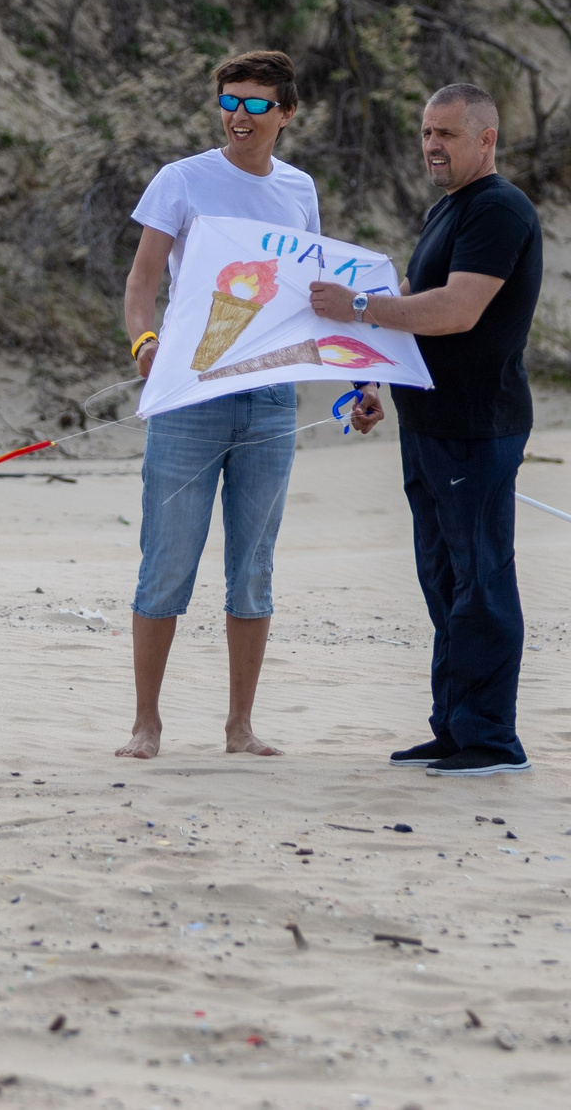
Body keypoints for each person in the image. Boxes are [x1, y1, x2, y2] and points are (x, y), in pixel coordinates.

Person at [116, 49, 382, 759]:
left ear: (286, 113)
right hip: (191, 394)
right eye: (230, 100)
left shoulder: (300, 190)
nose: (240, 114)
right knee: (167, 559)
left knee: (253, 566)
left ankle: (240, 727)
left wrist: (361, 384)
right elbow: (141, 284)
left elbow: (316, 301)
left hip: (270, 397)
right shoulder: (182, 180)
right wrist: (146, 346)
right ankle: (147, 723)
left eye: (257, 103)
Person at [310, 83, 542, 776]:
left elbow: (458, 310)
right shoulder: (449, 211)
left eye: (446, 132)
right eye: (425, 132)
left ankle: (492, 740)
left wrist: (358, 306)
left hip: (478, 424)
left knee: (482, 582)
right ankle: (454, 727)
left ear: (486, 139)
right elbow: (415, 305)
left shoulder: (500, 208)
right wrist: (372, 382)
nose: (432, 145)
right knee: (443, 580)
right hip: (429, 421)